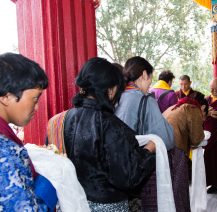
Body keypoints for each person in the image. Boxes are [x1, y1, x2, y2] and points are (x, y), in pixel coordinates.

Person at [61, 57, 156, 211]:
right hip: (107, 206)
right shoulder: (111, 125)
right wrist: (148, 150)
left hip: (74, 203)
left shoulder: (63, 119)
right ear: (111, 91)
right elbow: (129, 176)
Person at [0, 53, 49, 211]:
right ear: (6, 97)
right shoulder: (2, 150)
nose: (37, 107)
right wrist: (49, 193)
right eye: (35, 98)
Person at [115, 56, 174, 211]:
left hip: (115, 170)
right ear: (143, 75)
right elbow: (167, 138)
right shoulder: (145, 100)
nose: (150, 85)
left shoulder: (116, 96)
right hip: (136, 170)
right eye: (150, 79)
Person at [163, 97, 204, 212]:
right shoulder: (192, 108)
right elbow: (197, 138)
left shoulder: (174, 107)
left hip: (161, 147)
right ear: (203, 107)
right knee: (179, 186)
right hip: (176, 148)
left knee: (167, 185)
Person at [203, 78, 217, 194]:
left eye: (216, 88)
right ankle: (214, 184)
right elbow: (201, 114)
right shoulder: (206, 99)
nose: (213, 91)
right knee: (209, 160)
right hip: (208, 136)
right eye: (211, 88)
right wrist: (208, 113)